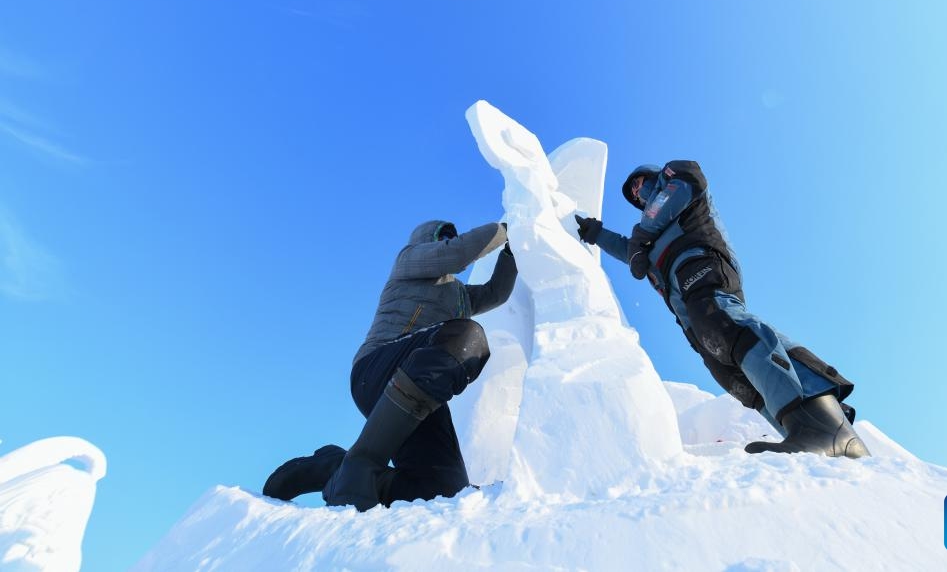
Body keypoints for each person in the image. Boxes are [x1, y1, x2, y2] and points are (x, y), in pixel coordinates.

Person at [575, 161, 869, 458]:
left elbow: (686, 184)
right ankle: (831, 435)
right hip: (684, 304)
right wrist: (593, 232)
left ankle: (819, 431)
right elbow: (629, 250)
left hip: (702, 264)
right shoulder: (648, 240)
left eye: (639, 182)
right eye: (633, 193)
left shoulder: (675, 178)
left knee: (724, 327)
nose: (638, 191)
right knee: (727, 369)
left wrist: (642, 234)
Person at [263, 220, 518, 509]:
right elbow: (457, 254)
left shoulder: (460, 295)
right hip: (377, 369)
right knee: (466, 337)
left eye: (451, 237)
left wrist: (513, 251)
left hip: (420, 387)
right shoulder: (409, 260)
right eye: (442, 237)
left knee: (444, 492)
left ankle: (335, 468)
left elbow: (496, 293)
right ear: (426, 241)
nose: (449, 241)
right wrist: (510, 227)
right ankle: (362, 462)